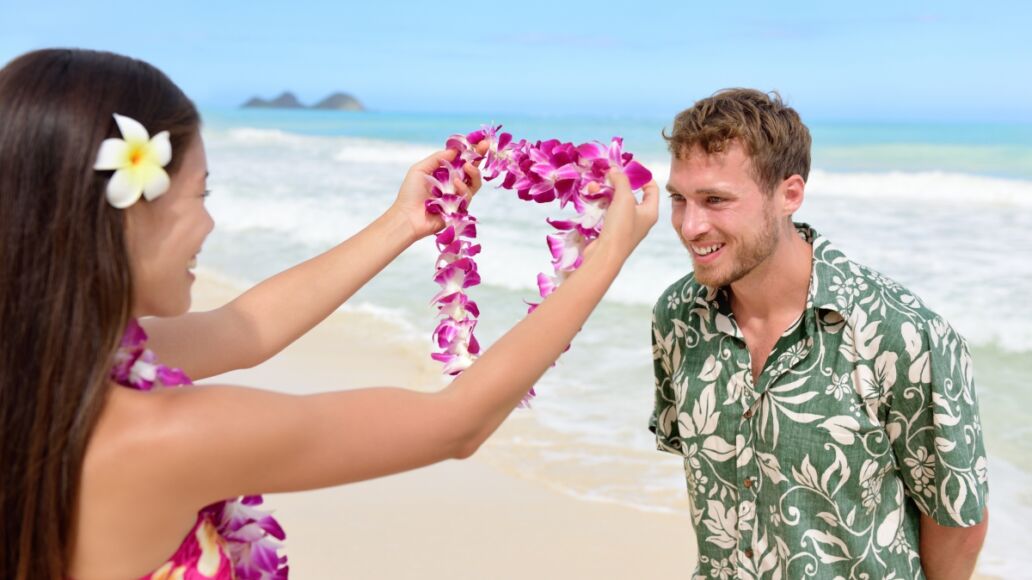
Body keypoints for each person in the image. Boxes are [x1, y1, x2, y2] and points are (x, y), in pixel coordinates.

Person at [0, 48, 659, 579]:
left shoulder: (50, 373)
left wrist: (404, 223)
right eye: (202, 194)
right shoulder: (161, 438)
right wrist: (602, 260)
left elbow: (244, 328)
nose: (209, 222)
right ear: (129, 209)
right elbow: (453, 426)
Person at [649, 88, 988, 579]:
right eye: (679, 199)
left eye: (716, 200)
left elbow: (959, 520)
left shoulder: (902, 332)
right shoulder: (678, 317)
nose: (690, 225)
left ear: (789, 194)